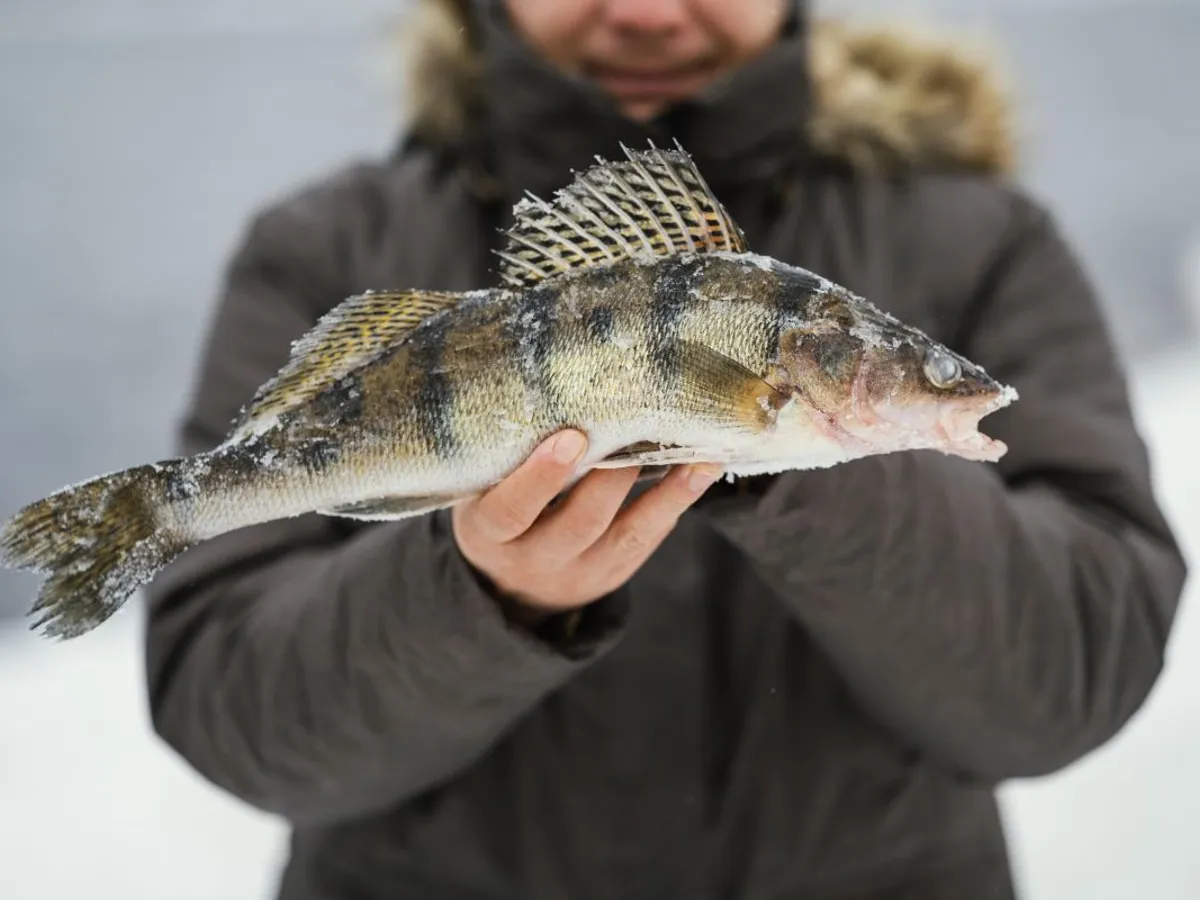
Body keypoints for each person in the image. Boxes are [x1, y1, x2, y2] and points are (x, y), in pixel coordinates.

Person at [143, 1, 1188, 898]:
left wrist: (794, 470)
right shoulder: (322, 247)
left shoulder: (987, 244)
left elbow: (1073, 675)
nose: (646, 12)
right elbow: (227, 705)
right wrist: (473, 595)